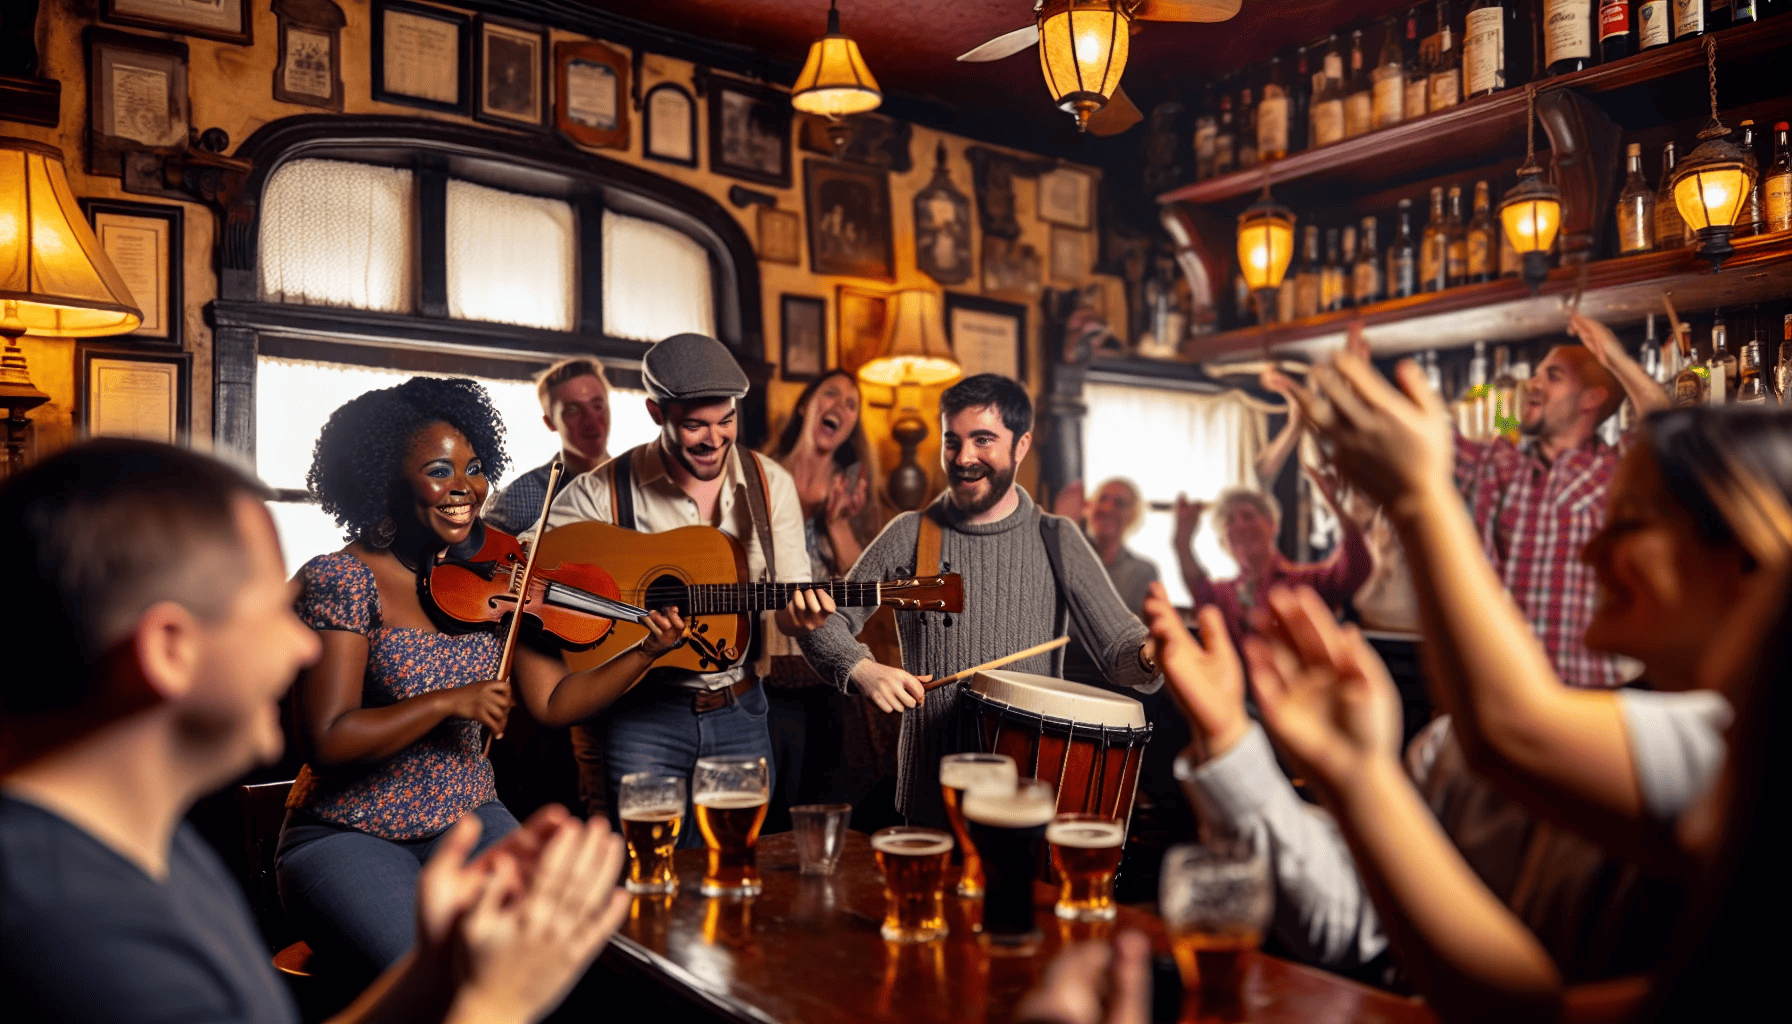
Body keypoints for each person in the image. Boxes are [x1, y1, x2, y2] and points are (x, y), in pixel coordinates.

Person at [1149, 373, 1771, 1002]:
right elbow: (1355, 920)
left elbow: (1514, 730)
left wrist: (1419, 493)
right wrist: (1227, 734)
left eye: (1629, 522)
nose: (1588, 554)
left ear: (1754, 554)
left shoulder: (1750, 769)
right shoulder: (1452, 750)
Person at [0, 439, 631, 1024]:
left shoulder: (138, 851)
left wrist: (435, 970)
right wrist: (493, 1001)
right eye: (273, 610)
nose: (306, 646)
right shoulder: (73, 924)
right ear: (171, 648)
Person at [277, 377, 673, 978]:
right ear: (386, 479)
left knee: (571, 959)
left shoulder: (499, 573)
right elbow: (329, 740)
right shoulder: (344, 578)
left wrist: (645, 651)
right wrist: (449, 703)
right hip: (347, 832)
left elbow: (556, 701)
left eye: (475, 467)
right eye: (439, 470)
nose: (465, 488)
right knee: (434, 980)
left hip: (467, 817)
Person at [782, 373, 1161, 828]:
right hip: (929, 795)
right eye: (952, 441)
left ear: (1021, 445)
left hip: (1026, 795)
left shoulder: (1056, 538)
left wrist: (1152, 653)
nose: (963, 458)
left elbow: (1120, 649)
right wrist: (862, 669)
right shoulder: (910, 533)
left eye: (983, 440)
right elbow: (822, 619)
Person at [541, 333, 809, 844]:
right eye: (694, 425)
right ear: (655, 412)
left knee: (732, 867)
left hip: (741, 713)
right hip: (642, 718)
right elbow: (537, 572)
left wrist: (803, 616)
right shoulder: (600, 492)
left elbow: (791, 601)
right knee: (650, 866)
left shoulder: (770, 482)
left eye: (726, 420)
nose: (714, 439)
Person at [1447, 316, 1669, 689]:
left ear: (1591, 398)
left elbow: (1666, 424)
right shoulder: (1501, 461)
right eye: (1535, 374)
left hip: (1590, 696)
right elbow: (1422, 442)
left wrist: (1616, 360)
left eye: (1552, 375)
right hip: (1504, 692)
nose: (1532, 382)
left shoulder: (1617, 470)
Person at [759, 369, 898, 817]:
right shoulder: (756, 471)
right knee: (767, 804)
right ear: (805, 405)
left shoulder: (855, 492)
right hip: (762, 663)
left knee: (819, 804)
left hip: (822, 669)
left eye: (852, 403)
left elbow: (863, 597)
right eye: (830, 393)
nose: (840, 406)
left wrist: (836, 524)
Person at [1171, 475, 1370, 655]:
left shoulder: (1306, 581)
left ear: (1272, 524)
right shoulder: (1222, 594)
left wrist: (1336, 505)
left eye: (1248, 516)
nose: (1240, 525)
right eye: (1229, 521)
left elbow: (1356, 569)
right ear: (1224, 542)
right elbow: (1198, 587)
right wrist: (1182, 542)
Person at [483, 357, 611, 534]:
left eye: (597, 405)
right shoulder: (523, 495)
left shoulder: (639, 483)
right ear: (550, 422)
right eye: (572, 410)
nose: (591, 421)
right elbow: (478, 555)